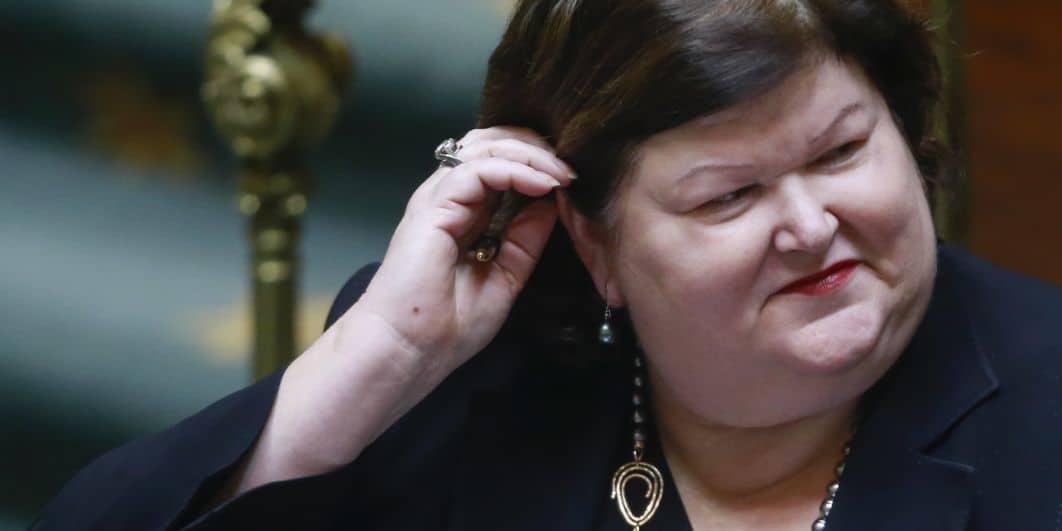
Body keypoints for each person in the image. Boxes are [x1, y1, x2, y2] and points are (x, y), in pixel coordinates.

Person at [33, 0, 1062, 530]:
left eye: (840, 153)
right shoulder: (453, 380)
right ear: (592, 239)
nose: (808, 224)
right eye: (728, 196)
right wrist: (376, 358)